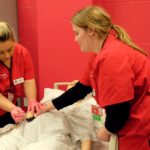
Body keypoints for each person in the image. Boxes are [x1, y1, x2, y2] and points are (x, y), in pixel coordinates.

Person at [40, 5, 150, 150]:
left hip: (141, 128)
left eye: (77, 33)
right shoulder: (99, 54)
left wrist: (107, 129)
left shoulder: (111, 57)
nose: (75, 39)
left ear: (91, 30)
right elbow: (82, 88)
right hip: (132, 125)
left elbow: (119, 109)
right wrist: (50, 105)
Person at [0, 21, 41, 128]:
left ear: (13, 41)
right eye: (1, 52)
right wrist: (12, 108)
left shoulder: (22, 53)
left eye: (9, 49)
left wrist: (32, 100)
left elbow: (28, 80)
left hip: (10, 108)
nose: (7, 55)